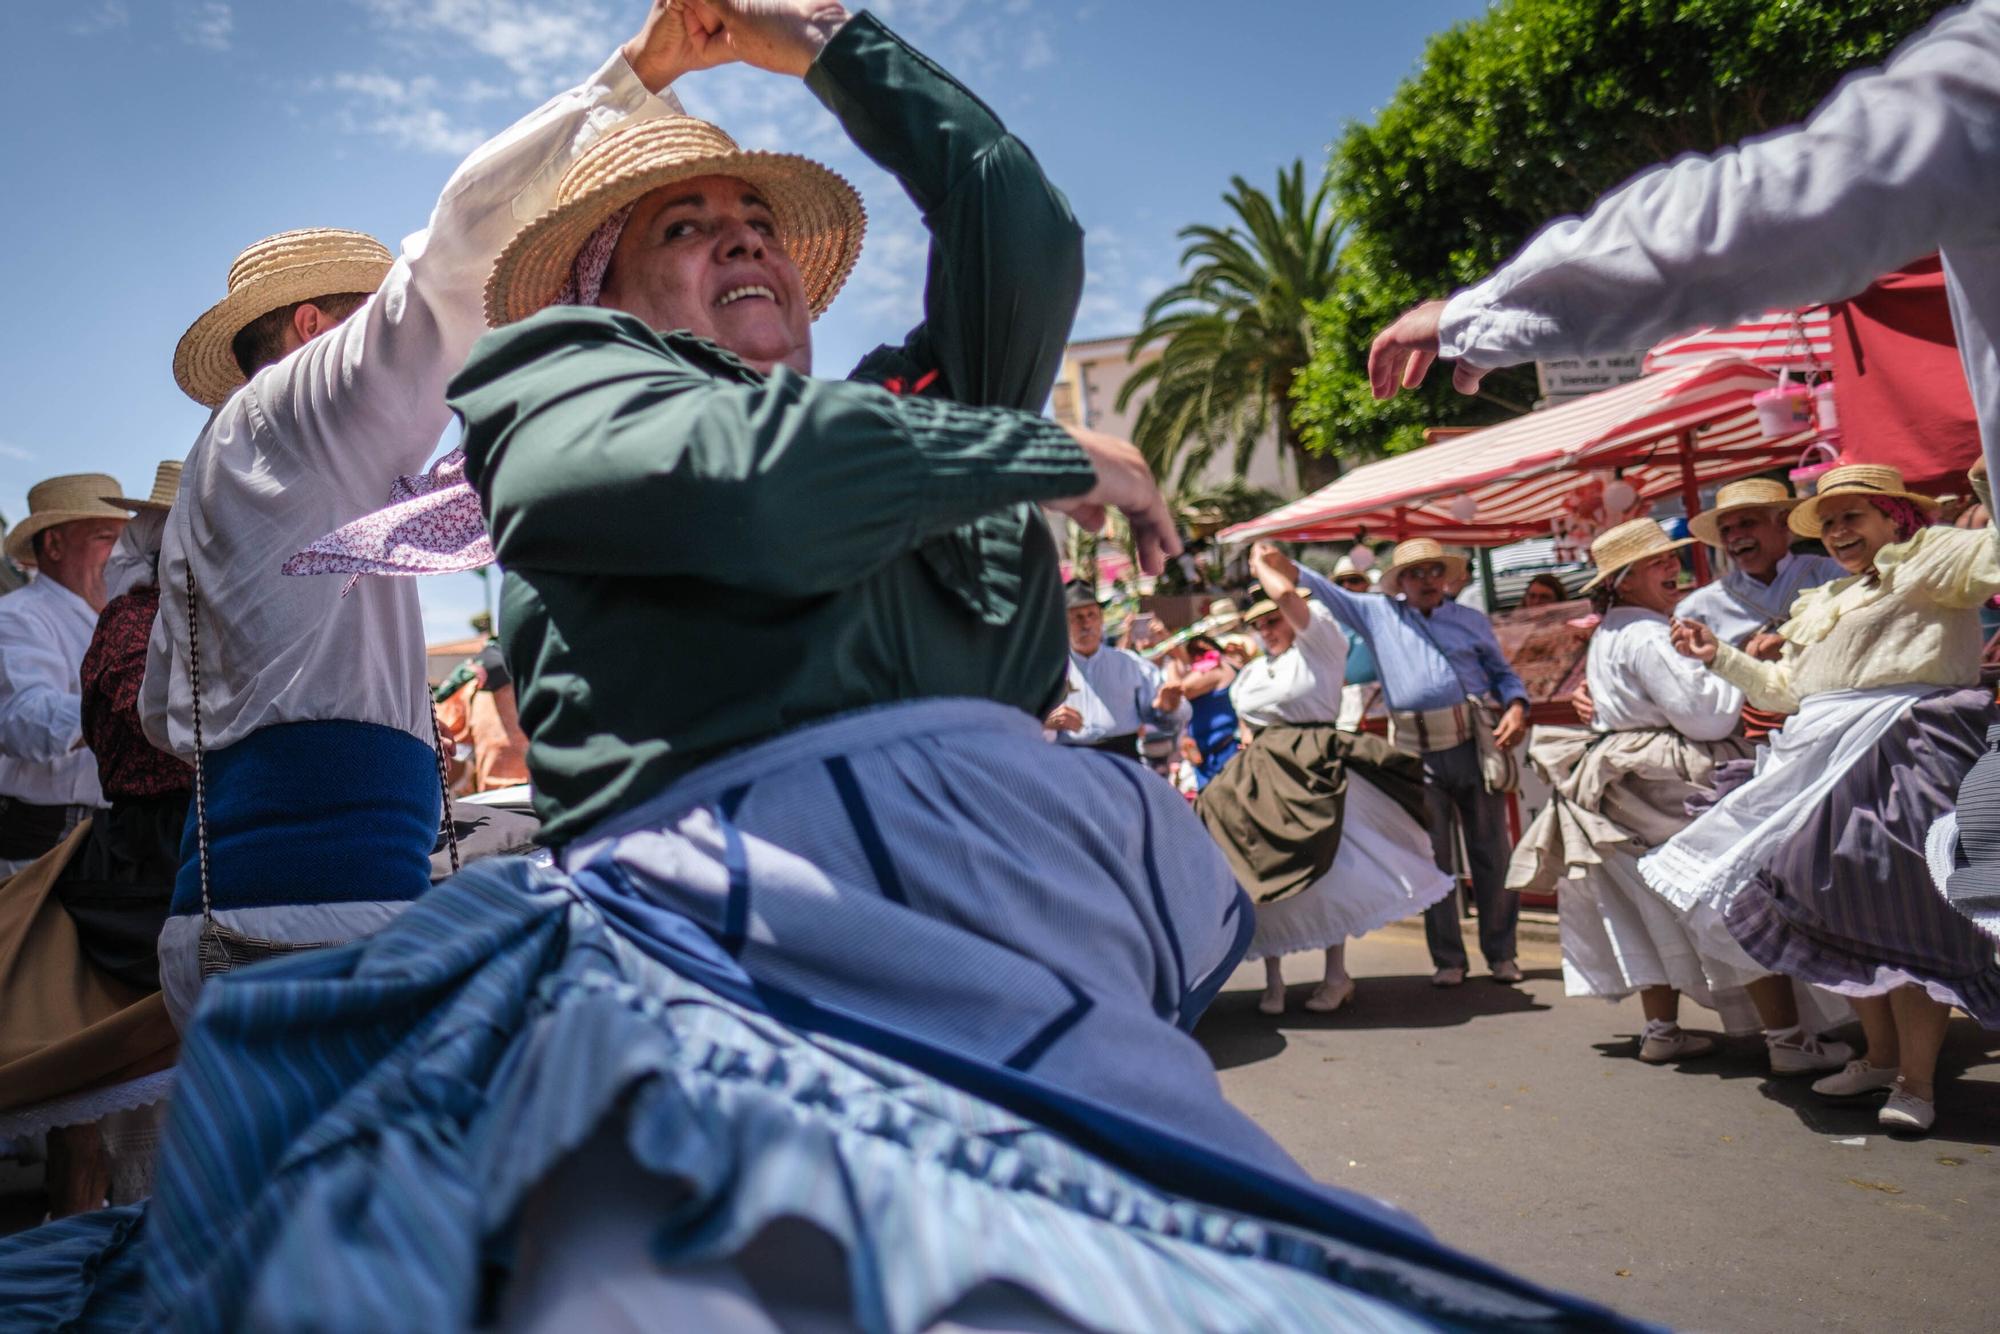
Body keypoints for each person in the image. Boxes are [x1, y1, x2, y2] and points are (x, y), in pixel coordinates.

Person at [1360, 1, 2000, 928]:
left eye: (1851, 515)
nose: (1724, 543)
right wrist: (1741, 666)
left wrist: (1483, 312)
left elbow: (1784, 205)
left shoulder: (1905, 569)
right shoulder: (1691, 619)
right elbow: (1765, 693)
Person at [138, 5, 693, 1025]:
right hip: (317, 908)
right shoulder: (301, 403)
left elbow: (162, 712)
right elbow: (453, 268)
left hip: (252, 894)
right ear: (312, 331)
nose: (396, 347)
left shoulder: (236, 464)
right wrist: (632, 79)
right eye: (366, 313)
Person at [1659, 464, 2000, 1134]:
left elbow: (1992, 556)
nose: (1841, 532)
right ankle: (1878, 1056)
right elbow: (1787, 688)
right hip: (1826, 764)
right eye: (1832, 521)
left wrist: (1990, 484)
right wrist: (1718, 656)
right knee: (1834, 907)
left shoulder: (1930, 562)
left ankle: (1916, 1083)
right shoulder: (1832, 598)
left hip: (1910, 757)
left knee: (1916, 916)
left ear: (1894, 517)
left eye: (1854, 516)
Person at [1510, 518, 1785, 1063]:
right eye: (1656, 562)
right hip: (1662, 782)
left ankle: (1662, 1029)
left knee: (1644, 905)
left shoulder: (1613, 633)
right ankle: (1789, 1038)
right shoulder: (1647, 636)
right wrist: (1743, 666)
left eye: (1669, 558)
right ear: (1625, 580)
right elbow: (1703, 717)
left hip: (1619, 783)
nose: (1671, 567)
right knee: (1726, 896)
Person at [1271, 536, 1530, 987]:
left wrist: (1516, 705)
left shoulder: (1469, 621)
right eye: (1416, 573)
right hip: (1414, 752)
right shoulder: (1377, 613)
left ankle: (1502, 953)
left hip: (1471, 744)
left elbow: (1503, 674)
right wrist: (1275, 559)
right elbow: (1322, 588)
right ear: (1400, 582)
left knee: (1491, 852)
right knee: (1433, 860)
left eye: (1434, 571)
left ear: (1446, 578)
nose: (1427, 581)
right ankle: (1449, 960)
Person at [1203, 552, 1452, 1015]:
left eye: (1275, 619)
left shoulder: (1320, 646)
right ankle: (1272, 978)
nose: (1269, 628)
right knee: (1255, 868)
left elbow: (1290, 602)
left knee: (1332, 868)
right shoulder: (1255, 672)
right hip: (1261, 773)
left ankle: (1335, 973)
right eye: (1260, 623)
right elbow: (1244, 725)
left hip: (1314, 765)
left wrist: (1263, 563)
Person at [0, 475, 126, 878]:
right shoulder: (17, 616)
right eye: (106, 537)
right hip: (35, 843)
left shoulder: (112, 620)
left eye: (125, 541)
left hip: (103, 838)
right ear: (53, 545)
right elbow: (24, 719)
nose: (120, 554)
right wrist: (128, 706)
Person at [1678, 478, 1846, 659]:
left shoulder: (1833, 575)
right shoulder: (1700, 608)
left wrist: (1789, 646)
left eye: (1747, 523)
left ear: (1784, 523)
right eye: (1725, 530)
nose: (1734, 536)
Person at [1049, 580, 1191, 758]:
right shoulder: (1050, 669)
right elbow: (1023, 721)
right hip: (1071, 758)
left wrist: (1167, 707)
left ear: (1101, 619)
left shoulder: (1130, 664)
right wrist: (1046, 723)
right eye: (1077, 617)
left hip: (1123, 755)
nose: (1086, 624)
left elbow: (1172, 716)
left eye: (1091, 615)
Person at [1164, 631, 1241, 789]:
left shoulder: (1216, 667)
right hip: (1211, 757)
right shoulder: (1223, 665)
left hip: (1225, 754)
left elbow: (1179, 689)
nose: (1197, 656)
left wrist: (1173, 661)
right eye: (1192, 652)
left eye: (1202, 651)